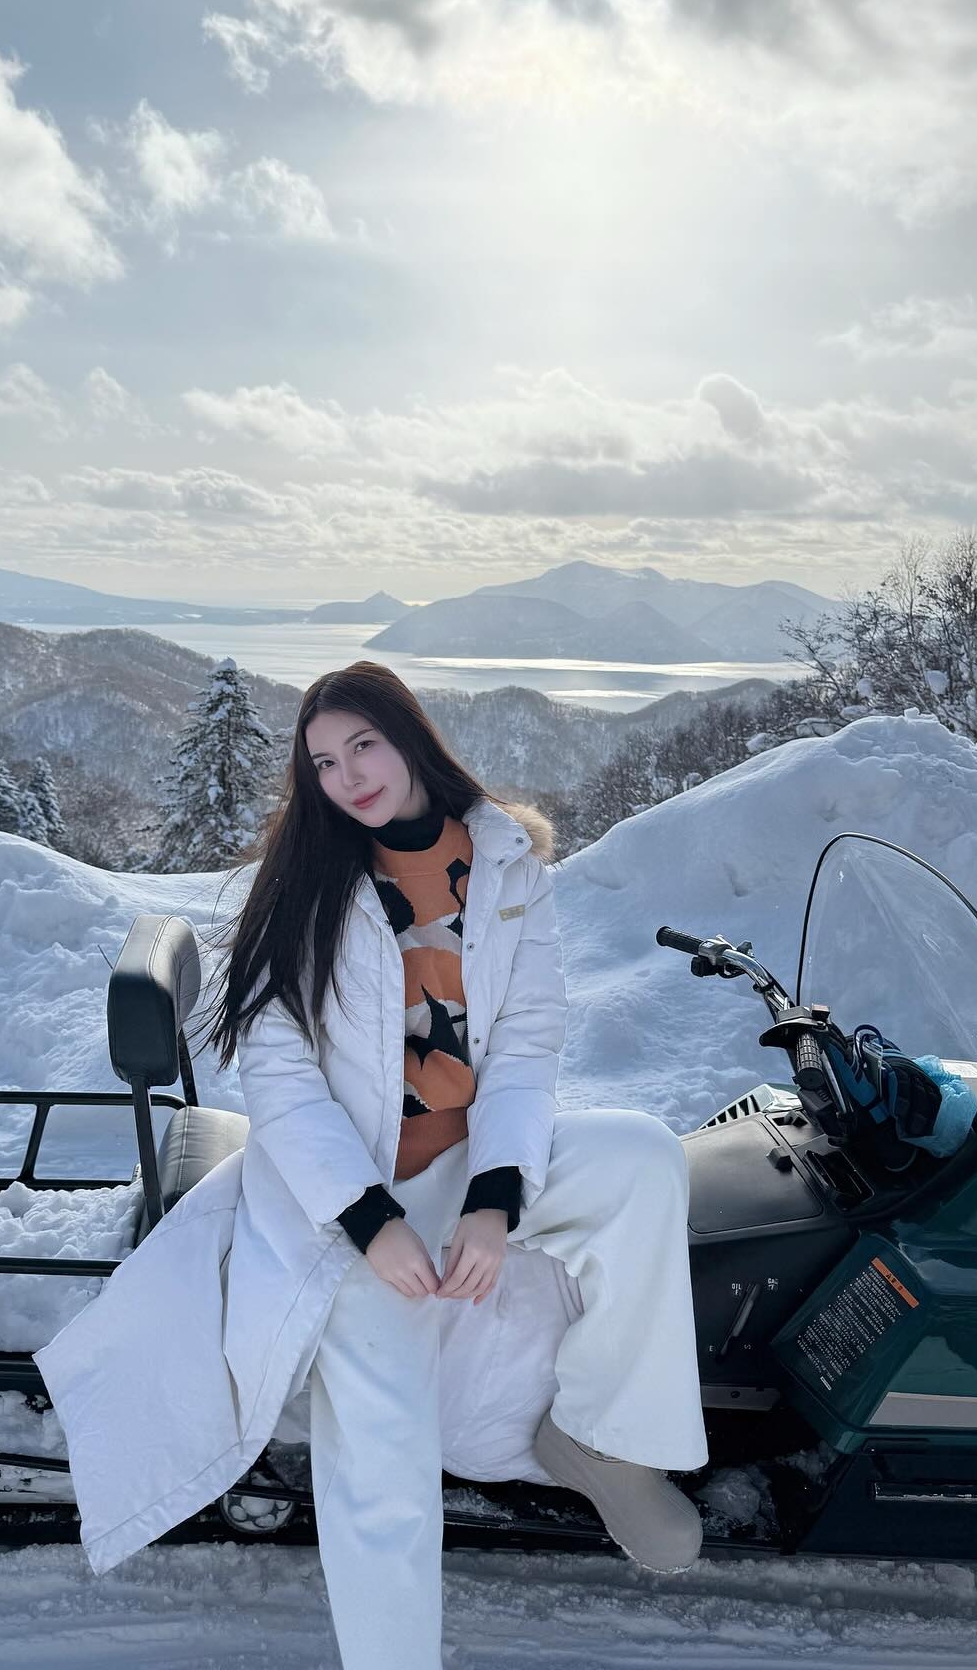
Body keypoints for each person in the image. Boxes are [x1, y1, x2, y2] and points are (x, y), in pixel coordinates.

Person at [197, 660, 709, 1670]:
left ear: (409, 738)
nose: (347, 777)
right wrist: (367, 1220)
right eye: (323, 763)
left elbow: (526, 1042)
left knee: (644, 1160)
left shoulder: (508, 864)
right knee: (378, 1444)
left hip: (471, 1153)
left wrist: (494, 1196)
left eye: (363, 746)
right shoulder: (307, 882)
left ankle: (600, 1437)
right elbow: (279, 1077)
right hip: (351, 1186)